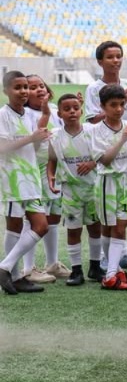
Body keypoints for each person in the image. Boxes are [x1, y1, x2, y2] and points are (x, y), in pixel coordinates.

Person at [84, 40, 127, 271]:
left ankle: (123, 255)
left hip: (125, 159)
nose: (115, 61)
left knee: (121, 212)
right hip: (105, 148)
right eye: (110, 57)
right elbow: (91, 120)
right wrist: (115, 114)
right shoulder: (93, 88)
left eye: (119, 56)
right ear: (100, 61)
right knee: (108, 214)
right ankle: (104, 258)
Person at [0, 71, 51, 295]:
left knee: (41, 225)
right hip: (12, 178)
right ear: (6, 91)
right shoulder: (3, 115)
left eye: (25, 87)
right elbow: (2, 148)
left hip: (30, 177)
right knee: (15, 226)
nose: (23, 92)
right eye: (17, 87)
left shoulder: (30, 116)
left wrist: (38, 140)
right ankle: (16, 275)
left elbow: (34, 148)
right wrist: (32, 138)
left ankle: (5, 268)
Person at [89, 83, 127, 290]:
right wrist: (122, 140)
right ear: (103, 106)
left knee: (120, 227)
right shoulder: (97, 131)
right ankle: (114, 271)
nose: (119, 109)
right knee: (110, 227)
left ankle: (112, 273)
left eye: (122, 104)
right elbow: (105, 160)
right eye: (113, 105)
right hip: (107, 182)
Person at [46, 93, 103, 286]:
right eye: (67, 109)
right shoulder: (55, 136)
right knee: (73, 230)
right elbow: (52, 160)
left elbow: (104, 153)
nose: (72, 112)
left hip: (93, 188)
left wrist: (92, 163)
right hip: (70, 191)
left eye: (76, 108)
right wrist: (51, 176)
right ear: (59, 113)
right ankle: (76, 270)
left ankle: (95, 267)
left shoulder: (92, 131)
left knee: (95, 228)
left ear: (81, 110)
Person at [24, 75, 65, 283]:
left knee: (54, 216)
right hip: (34, 170)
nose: (39, 89)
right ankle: (28, 267)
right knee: (33, 217)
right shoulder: (25, 114)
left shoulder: (56, 111)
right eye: (33, 87)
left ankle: (52, 263)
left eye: (41, 85)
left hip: (55, 169)